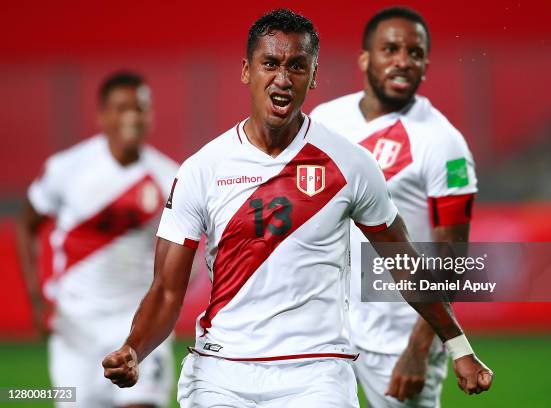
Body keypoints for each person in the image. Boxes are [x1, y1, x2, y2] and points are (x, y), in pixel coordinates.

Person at [102, 9, 492, 408]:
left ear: (314, 74)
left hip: (316, 375)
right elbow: (167, 291)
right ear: (246, 71)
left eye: (298, 66)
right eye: (269, 64)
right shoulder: (202, 170)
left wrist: (457, 344)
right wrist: (134, 349)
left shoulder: (350, 164)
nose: (283, 79)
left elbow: (405, 264)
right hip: (221, 372)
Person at [310, 7, 478, 408]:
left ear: (425, 65)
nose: (404, 60)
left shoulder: (444, 143)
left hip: (399, 335)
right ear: (366, 59)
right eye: (390, 49)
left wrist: (420, 348)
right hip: (329, 328)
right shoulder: (325, 121)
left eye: (415, 53)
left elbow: (451, 256)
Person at [17, 71, 178, 408]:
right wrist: (36, 298)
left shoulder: (170, 178)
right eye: (121, 109)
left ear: (150, 115)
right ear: (102, 115)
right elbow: (27, 223)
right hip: (77, 326)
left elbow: (181, 255)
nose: (131, 117)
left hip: (138, 324)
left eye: (140, 108)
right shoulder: (67, 169)